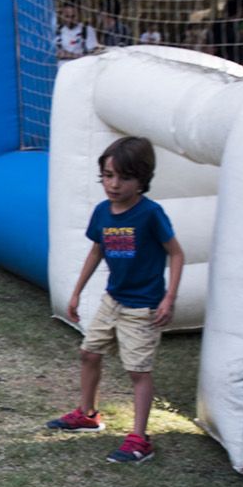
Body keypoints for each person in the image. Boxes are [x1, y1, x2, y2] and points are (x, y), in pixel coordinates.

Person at [46, 136, 186, 465]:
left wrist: (169, 298)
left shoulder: (151, 214)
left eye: (124, 177)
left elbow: (176, 253)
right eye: (108, 175)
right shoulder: (102, 212)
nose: (114, 184)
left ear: (142, 180)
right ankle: (88, 414)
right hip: (113, 299)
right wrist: (78, 290)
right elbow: (97, 250)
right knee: (88, 353)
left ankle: (140, 439)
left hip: (143, 306)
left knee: (138, 371)